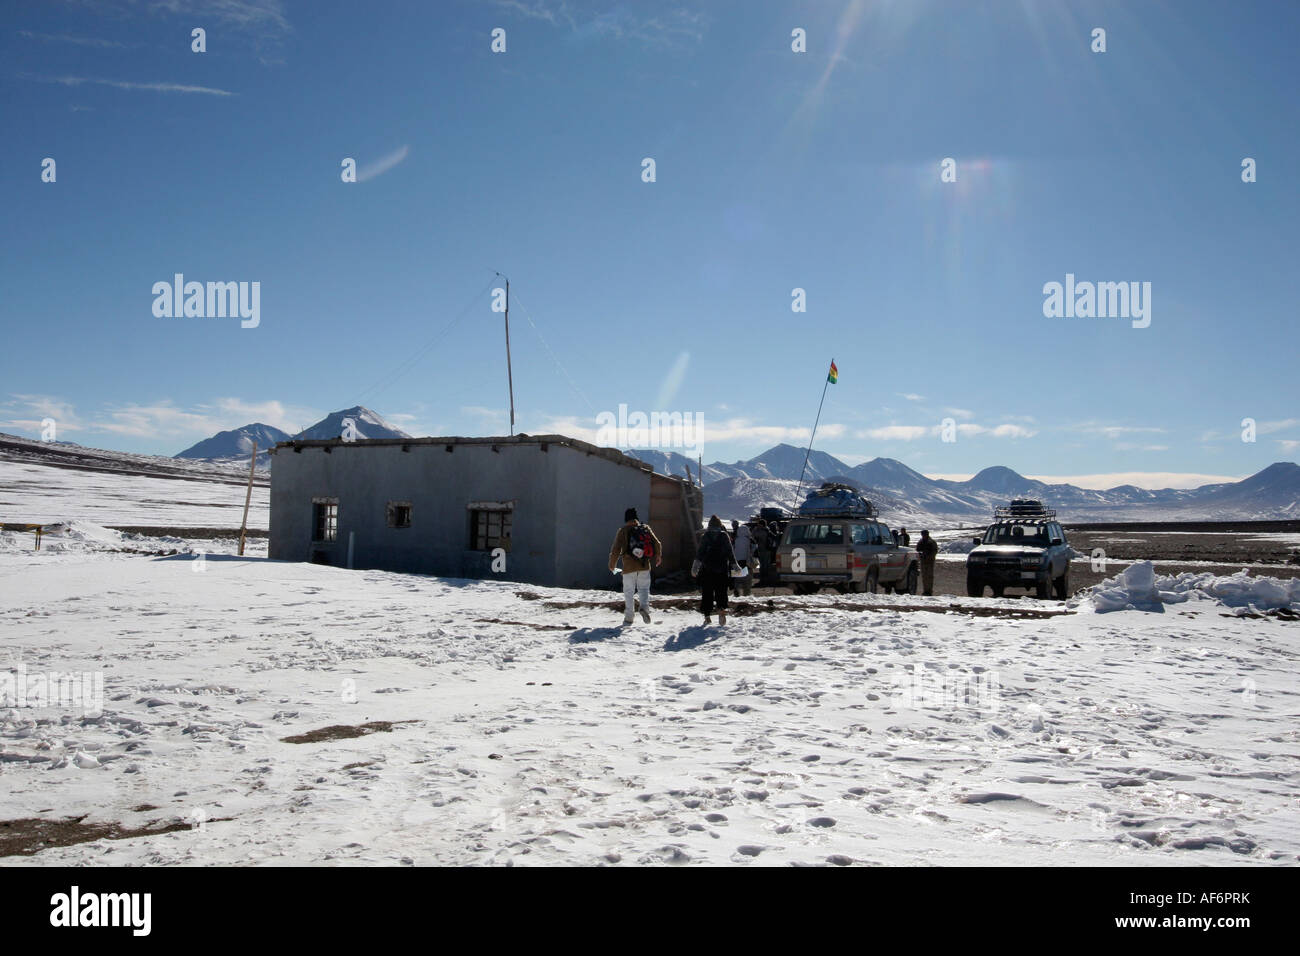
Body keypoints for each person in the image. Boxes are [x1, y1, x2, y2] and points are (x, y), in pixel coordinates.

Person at [608, 507, 663, 625]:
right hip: (644, 565)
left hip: (629, 566)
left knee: (629, 591)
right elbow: (657, 543)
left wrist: (612, 564)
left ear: (626, 519)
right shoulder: (645, 528)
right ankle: (644, 608)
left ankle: (629, 617)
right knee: (643, 589)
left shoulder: (623, 531)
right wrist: (658, 556)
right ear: (636, 518)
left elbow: (616, 549)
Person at [693, 514, 741, 625]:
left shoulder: (705, 536)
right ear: (720, 525)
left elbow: (700, 554)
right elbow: (730, 552)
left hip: (707, 570)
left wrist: (695, 568)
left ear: (709, 525)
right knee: (721, 592)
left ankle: (707, 616)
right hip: (722, 569)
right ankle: (721, 610)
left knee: (707, 593)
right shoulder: (724, 536)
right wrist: (735, 566)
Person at [732, 520, 756, 596]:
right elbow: (754, 549)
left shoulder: (736, 540)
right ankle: (746, 594)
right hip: (747, 561)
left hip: (737, 562)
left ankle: (737, 590)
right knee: (747, 580)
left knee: (738, 578)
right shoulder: (750, 540)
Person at [916, 529, 938, 596]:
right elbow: (918, 550)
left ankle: (929, 591)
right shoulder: (921, 542)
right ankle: (925, 590)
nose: (924, 536)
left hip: (929, 561)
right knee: (924, 576)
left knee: (929, 576)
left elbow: (934, 551)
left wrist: (929, 556)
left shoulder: (931, 542)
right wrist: (921, 555)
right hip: (923, 561)